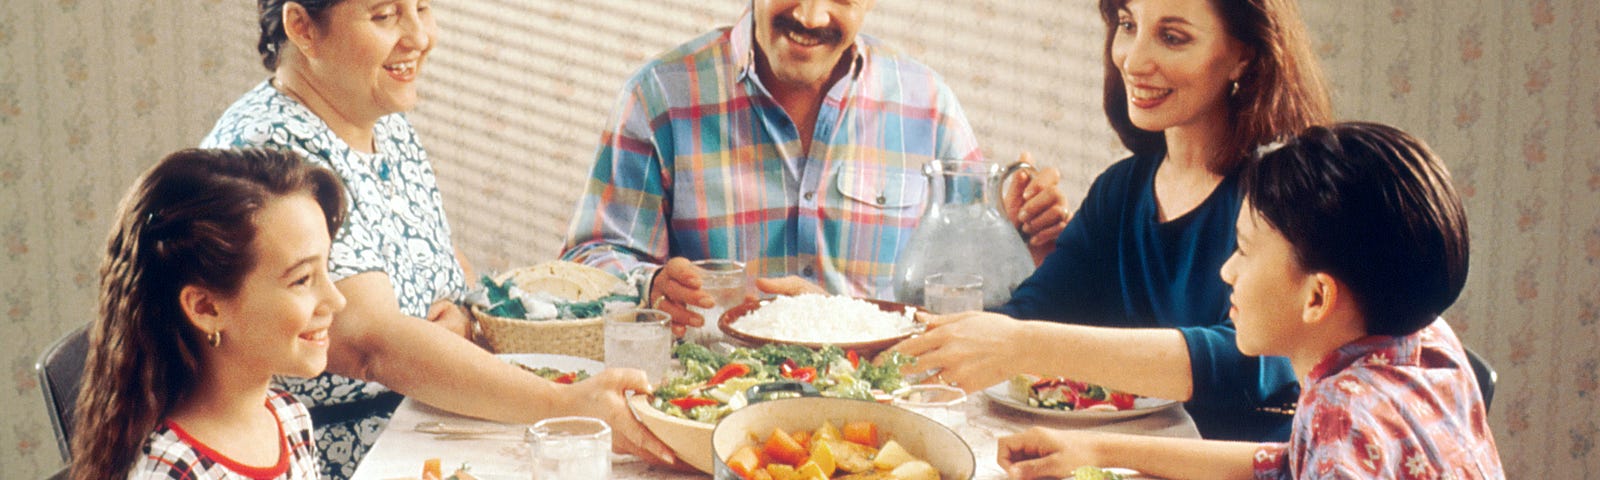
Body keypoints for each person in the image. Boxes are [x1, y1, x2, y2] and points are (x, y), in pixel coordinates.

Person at [201, 1, 673, 477]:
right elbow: (371, 345)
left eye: (422, 7)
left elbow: (441, 265)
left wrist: (466, 317)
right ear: (302, 27)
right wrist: (564, 404)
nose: (420, 37)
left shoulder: (380, 120)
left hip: (426, 421)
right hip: (337, 457)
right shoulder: (272, 156)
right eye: (385, 15)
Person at [890, 0, 1333, 441]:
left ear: (1244, 55)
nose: (1133, 60)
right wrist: (1002, 245)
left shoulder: (1285, 195)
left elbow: (1249, 360)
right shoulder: (1121, 190)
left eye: (1172, 37)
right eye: (1127, 25)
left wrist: (1023, 343)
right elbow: (1028, 317)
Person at [996, 122, 1504, 480]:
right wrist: (1092, 447)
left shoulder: (1342, 413)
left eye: (1242, 250)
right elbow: (1285, 462)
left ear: (1317, 297)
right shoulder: (1426, 338)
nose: (1226, 271)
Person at [559, 0, 1072, 336]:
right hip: (710, 408)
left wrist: (1018, 237)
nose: (810, 14)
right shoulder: (660, 96)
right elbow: (588, 258)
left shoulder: (928, 105)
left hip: (881, 416)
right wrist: (649, 284)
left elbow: (969, 297)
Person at [71, 148, 345, 479]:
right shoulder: (171, 471)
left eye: (326, 269)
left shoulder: (289, 418)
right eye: (302, 279)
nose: (337, 300)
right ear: (206, 308)